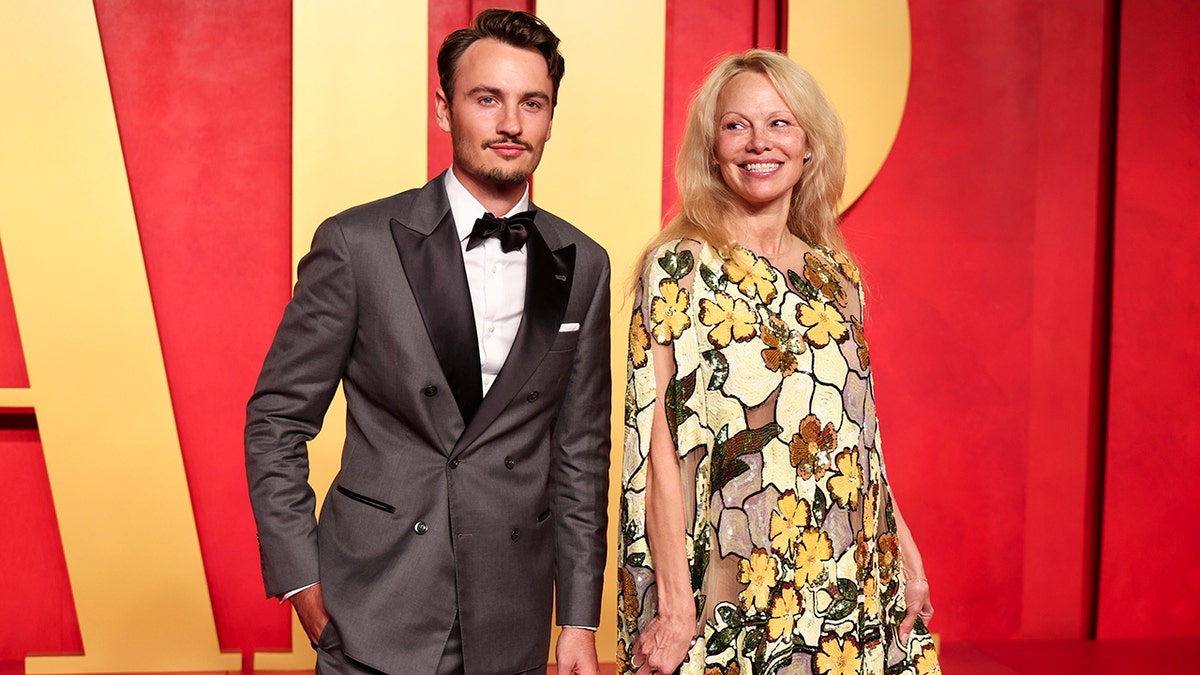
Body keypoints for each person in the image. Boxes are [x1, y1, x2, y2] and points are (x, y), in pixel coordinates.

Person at [245, 9, 611, 675]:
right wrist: (299, 577)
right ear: (444, 109)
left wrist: (579, 618)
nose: (510, 123)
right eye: (487, 99)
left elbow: (580, 450)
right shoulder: (357, 244)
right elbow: (276, 417)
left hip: (512, 615)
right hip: (374, 604)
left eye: (532, 103)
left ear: (551, 116)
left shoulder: (584, 262)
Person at [616, 50, 940, 674]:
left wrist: (906, 547)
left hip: (849, 576)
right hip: (736, 584)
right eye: (736, 125)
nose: (758, 143)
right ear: (712, 148)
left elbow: (860, 438)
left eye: (779, 123)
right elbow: (655, 446)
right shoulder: (678, 270)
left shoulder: (835, 275)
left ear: (809, 145)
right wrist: (678, 606)